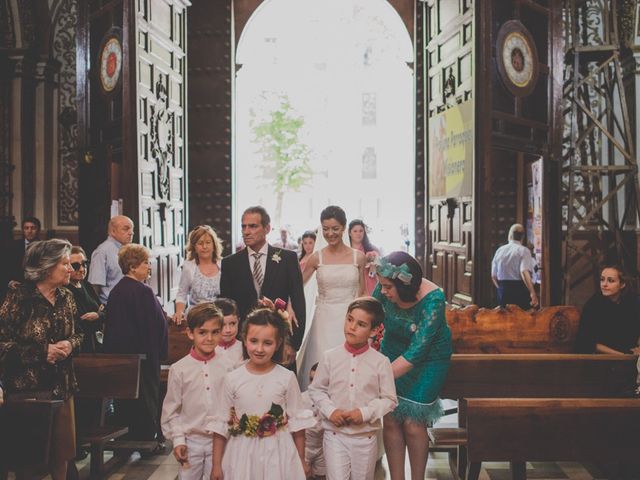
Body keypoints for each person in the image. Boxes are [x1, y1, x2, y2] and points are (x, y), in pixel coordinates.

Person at [0, 239, 83, 479]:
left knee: (62, 455)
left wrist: (71, 344)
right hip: (29, 392)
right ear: (45, 267)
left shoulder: (66, 297)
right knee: (30, 461)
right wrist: (41, 352)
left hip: (62, 388)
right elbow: (2, 344)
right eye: (65, 264)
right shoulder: (19, 296)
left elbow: (79, 334)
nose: (71, 269)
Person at [372, 251, 452, 480]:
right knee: (391, 417)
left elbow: (416, 352)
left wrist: (377, 377)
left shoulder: (434, 300)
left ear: (404, 285)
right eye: (381, 286)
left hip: (428, 359)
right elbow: (371, 314)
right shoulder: (385, 284)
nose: (383, 292)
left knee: (413, 423)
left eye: (387, 287)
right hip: (393, 348)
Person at [211, 307, 316, 480]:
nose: (259, 349)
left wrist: (301, 461)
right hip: (241, 453)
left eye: (267, 343)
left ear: (278, 343)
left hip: (278, 451)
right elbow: (221, 424)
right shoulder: (232, 379)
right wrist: (216, 465)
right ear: (244, 340)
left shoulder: (287, 378)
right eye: (254, 341)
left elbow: (298, 424)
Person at [309, 297, 397, 480]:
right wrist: (331, 411)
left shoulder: (381, 362)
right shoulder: (329, 357)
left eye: (361, 324)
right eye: (349, 319)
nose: (352, 327)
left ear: (374, 330)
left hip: (365, 438)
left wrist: (364, 413)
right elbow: (316, 390)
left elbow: (389, 399)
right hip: (335, 435)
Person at [220, 206, 306, 370]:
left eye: (252, 226)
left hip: (279, 340)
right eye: (243, 226)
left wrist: (293, 344)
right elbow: (227, 307)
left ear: (267, 228)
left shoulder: (287, 259)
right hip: (244, 344)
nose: (246, 231)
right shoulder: (230, 263)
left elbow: (299, 303)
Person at [103, 243, 168, 449]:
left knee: (127, 403)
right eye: (146, 263)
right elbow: (151, 329)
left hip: (123, 361)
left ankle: (129, 438)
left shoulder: (116, 291)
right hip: (144, 359)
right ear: (132, 266)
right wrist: (156, 356)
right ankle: (146, 439)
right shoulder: (142, 292)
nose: (149, 267)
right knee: (146, 400)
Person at [161, 302, 235, 480]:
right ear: (190, 333)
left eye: (215, 332)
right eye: (202, 332)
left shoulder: (228, 365)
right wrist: (178, 440)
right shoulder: (179, 369)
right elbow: (172, 411)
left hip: (221, 442)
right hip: (191, 442)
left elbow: (233, 403)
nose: (209, 338)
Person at [298, 205, 366, 389]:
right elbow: (297, 287)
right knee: (321, 368)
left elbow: (362, 293)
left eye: (335, 229)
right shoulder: (316, 258)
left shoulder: (358, 258)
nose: (330, 233)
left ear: (344, 228)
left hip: (349, 320)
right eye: (325, 229)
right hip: (324, 320)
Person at [575, 264, 640, 355]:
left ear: (622, 284)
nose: (604, 284)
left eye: (611, 281)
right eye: (602, 279)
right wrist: (622, 356)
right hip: (602, 359)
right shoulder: (593, 304)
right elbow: (587, 342)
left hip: (631, 357)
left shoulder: (634, 301)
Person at [173, 225, 223, 324]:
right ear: (194, 247)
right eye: (200, 243)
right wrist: (179, 312)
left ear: (214, 245)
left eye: (208, 242)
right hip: (195, 318)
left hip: (219, 318)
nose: (204, 247)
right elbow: (181, 294)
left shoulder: (223, 265)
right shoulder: (189, 267)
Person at [66, 246, 105, 353]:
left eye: (84, 264)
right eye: (76, 266)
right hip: (79, 346)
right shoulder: (64, 291)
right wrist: (99, 315)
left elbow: (104, 310)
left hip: (96, 342)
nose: (82, 269)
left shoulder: (86, 285)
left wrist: (98, 315)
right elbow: (79, 322)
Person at [88, 215, 134, 304]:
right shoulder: (102, 251)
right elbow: (95, 285)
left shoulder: (128, 250)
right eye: (126, 229)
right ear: (113, 231)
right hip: (111, 306)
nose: (131, 233)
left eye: (132, 229)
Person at [491, 223, 538, 310]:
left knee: (503, 320)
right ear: (522, 237)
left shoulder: (499, 250)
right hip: (519, 290)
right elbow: (524, 271)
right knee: (520, 320)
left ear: (510, 235)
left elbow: (493, 276)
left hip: (503, 289)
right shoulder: (524, 251)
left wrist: (501, 289)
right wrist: (532, 293)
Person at [1, 216, 42, 301]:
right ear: (23, 230)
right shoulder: (12, 246)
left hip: (37, 288)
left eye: (33, 228)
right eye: (26, 228)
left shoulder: (44, 247)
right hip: (16, 287)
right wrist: (10, 282)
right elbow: (4, 267)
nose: (29, 231)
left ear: (38, 230)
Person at [301, 363, 325, 480]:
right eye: (311, 379)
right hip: (305, 448)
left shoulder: (331, 402)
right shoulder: (300, 399)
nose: (312, 385)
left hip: (322, 448)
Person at [348, 219, 380, 295]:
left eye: (361, 231)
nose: (358, 234)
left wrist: (374, 265)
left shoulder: (372, 249)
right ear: (349, 233)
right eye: (355, 231)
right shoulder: (346, 250)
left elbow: (378, 271)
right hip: (351, 284)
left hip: (369, 283)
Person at [213, 297, 244, 367]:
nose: (228, 330)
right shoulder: (208, 349)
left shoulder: (244, 348)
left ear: (238, 321)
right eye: (222, 325)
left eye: (232, 323)